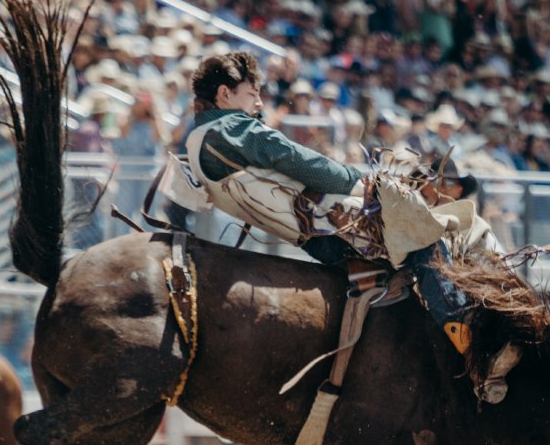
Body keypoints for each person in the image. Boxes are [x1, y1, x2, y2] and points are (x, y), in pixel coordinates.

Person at [181, 51, 496, 355]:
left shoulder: (196, 141)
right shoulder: (232, 127)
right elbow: (296, 158)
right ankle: (463, 327)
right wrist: (362, 182)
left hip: (313, 238)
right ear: (225, 94)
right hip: (333, 225)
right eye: (252, 94)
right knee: (423, 235)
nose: (260, 103)